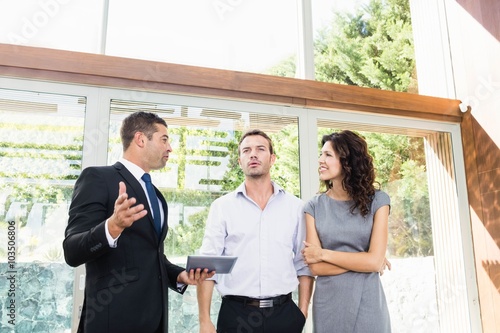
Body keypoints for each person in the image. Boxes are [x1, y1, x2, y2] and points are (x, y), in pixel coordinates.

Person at [63, 111, 214, 333]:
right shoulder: (98, 178)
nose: (170, 147)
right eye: (164, 139)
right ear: (141, 139)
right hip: (112, 322)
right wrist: (112, 226)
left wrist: (180, 276)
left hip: (155, 322)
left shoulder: (156, 195)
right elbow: (72, 251)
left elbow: (152, 256)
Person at [197, 129, 314, 333]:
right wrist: (204, 321)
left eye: (260, 149)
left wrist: (302, 312)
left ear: (272, 158)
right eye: (246, 150)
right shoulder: (222, 207)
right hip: (235, 315)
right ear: (240, 160)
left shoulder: (295, 207)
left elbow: (304, 263)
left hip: (284, 315)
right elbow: (208, 267)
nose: (253, 154)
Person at [302, 130, 391, 333]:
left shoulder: (379, 201)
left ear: (348, 160)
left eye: (328, 155)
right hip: (328, 305)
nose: (320, 160)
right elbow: (316, 268)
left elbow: (374, 262)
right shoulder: (313, 207)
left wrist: (324, 254)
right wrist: (364, 261)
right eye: (321, 154)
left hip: (367, 302)